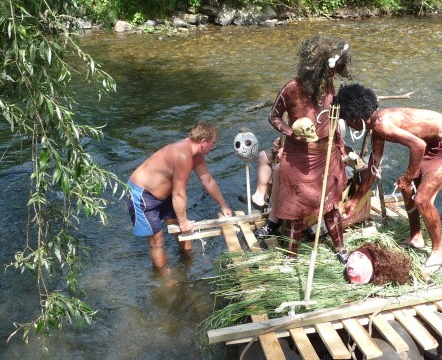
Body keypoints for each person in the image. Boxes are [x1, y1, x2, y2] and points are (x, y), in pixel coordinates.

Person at [336, 83, 442, 272]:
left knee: (423, 199)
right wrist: (356, 199)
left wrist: (407, 177)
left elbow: (418, 146)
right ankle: (416, 237)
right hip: (430, 141)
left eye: (349, 120)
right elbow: (373, 165)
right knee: (407, 190)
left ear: (357, 115)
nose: (349, 124)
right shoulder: (375, 127)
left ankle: (438, 252)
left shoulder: (381, 124)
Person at [255, 35, 353, 263]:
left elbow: (332, 121)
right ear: (316, 66)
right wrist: (292, 133)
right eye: (330, 68)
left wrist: (341, 149)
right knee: (295, 212)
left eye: (336, 68)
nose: (334, 73)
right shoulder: (292, 88)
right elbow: (274, 116)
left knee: (330, 207)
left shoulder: (329, 86)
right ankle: (291, 256)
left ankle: (340, 249)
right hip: (299, 158)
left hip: (327, 156)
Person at [127, 121, 233, 269]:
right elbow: (178, 193)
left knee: (181, 227)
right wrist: (184, 222)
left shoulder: (197, 155)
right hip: (143, 194)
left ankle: (189, 258)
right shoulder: (183, 154)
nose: (213, 146)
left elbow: (207, 180)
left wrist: (223, 205)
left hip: (166, 194)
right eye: (213, 142)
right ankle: (164, 278)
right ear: (203, 142)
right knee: (157, 240)